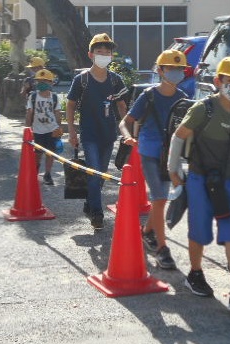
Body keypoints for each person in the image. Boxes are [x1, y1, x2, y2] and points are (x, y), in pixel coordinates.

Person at [167, 56, 230, 312]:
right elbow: (178, 138)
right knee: (199, 231)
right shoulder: (203, 109)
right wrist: (173, 172)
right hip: (199, 179)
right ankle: (195, 274)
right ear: (218, 81)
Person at [119, 49, 187, 269]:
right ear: (160, 70)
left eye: (180, 69)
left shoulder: (184, 99)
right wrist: (128, 137)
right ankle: (161, 249)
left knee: (160, 200)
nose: (176, 72)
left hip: (171, 156)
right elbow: (125, 122)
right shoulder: (148, 95)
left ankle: (148, 232)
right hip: (148, 153)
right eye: (171, 68)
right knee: (159, 199)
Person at [66, 33, 128, 230]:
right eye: (99, 52)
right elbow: (70, 105)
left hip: (108, 135)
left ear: (112, 56)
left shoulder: (116, 80)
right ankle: (97, 212)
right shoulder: (81, 79)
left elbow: (122, 106)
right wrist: (72, 132)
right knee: (94, 174)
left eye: (107, 52)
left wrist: (127, 128)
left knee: (100, 175)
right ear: (91, 55)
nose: (103, 55)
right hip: (89, 135)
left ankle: (89, 203)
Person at [25, 69, 61, 185]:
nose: (41, 83)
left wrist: (59, 128)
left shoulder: (54, 97)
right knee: (37, 154)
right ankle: (35, 171)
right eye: (39, 81)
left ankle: (48, 174)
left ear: (51, 83)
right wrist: (27, 128)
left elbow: (57, 113)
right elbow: (30, 112)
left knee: (50, 153)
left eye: (45, 81)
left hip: (51, 130)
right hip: (37, 130)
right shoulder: (33, 97)